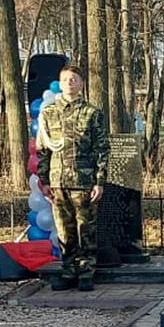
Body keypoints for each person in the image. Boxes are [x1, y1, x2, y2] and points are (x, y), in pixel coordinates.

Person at [36, 65, 109, 291]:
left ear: (81, 84)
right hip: (58, 181)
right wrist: (44, 181)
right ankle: (68, 270)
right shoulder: (48, 114)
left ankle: (86, 272)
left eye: (74, 79)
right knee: (64, 229)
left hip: (84, 181)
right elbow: (42, 150)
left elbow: (102, 148)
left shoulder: (92, 113)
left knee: (85, 228)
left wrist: (99, 181)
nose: (70, 83)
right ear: (60, 83)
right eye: (66, 79)